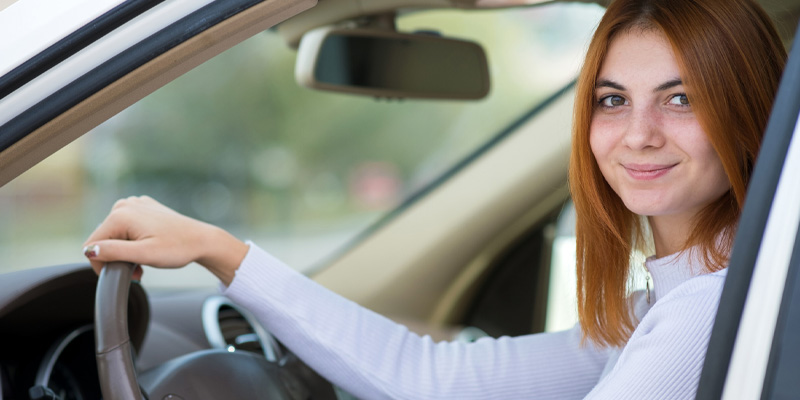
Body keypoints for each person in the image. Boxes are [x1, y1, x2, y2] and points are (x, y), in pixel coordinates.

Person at [82, 0, 787, 398]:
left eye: (681, 98)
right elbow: (438, 378)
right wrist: (222, 251)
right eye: (612, 100)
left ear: (749, 109)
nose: (638, 135)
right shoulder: (670, 305)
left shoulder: (706, 314)